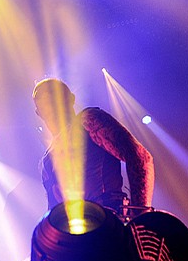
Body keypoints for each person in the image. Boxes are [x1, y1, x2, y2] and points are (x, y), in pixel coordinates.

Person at [31, 77, 154, 216]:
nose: (50, 104)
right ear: (38, 112)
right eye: (44, 100)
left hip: (108, 220)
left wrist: (139, 216)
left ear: (71, 99)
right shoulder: (47, 160)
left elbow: (139, 157)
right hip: (74, 227)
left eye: (54, 95)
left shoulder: (88, 120)